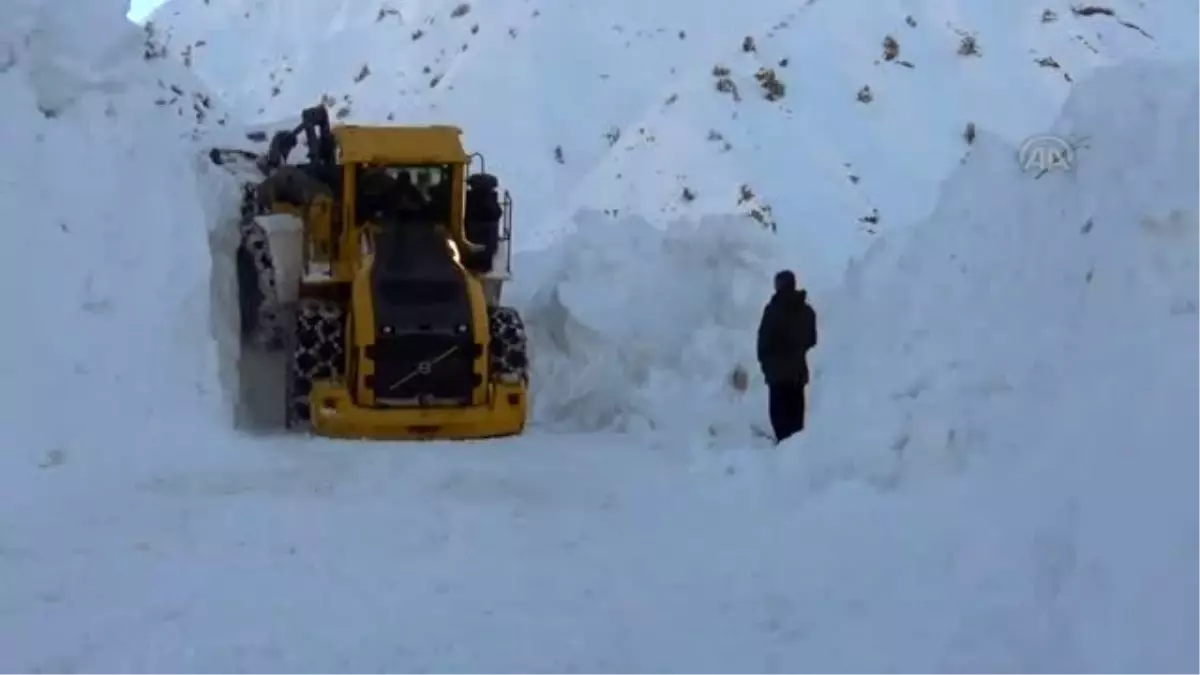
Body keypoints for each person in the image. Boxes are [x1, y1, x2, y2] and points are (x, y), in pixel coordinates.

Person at [756, 269, 818, 443]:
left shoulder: (773, 311)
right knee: (796, 415)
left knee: (779, 416)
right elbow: (812, 341)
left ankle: (783, 447)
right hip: (798, 373)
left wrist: (766, 366)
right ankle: (794, 449)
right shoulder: (807, 312)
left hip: (777, 375)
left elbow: (763, 343)